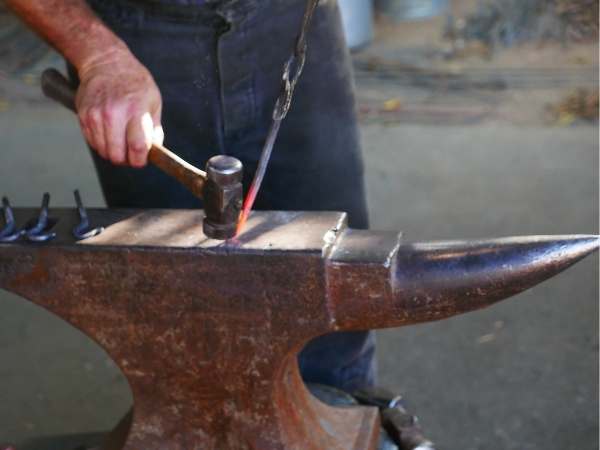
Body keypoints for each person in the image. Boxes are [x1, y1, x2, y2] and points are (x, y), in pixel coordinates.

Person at [7, 0, 375, 392]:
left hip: (290, 20)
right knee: (176, 315)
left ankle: (339, 408)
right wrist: (99, 58)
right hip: (135, 35)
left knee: (336, 286)